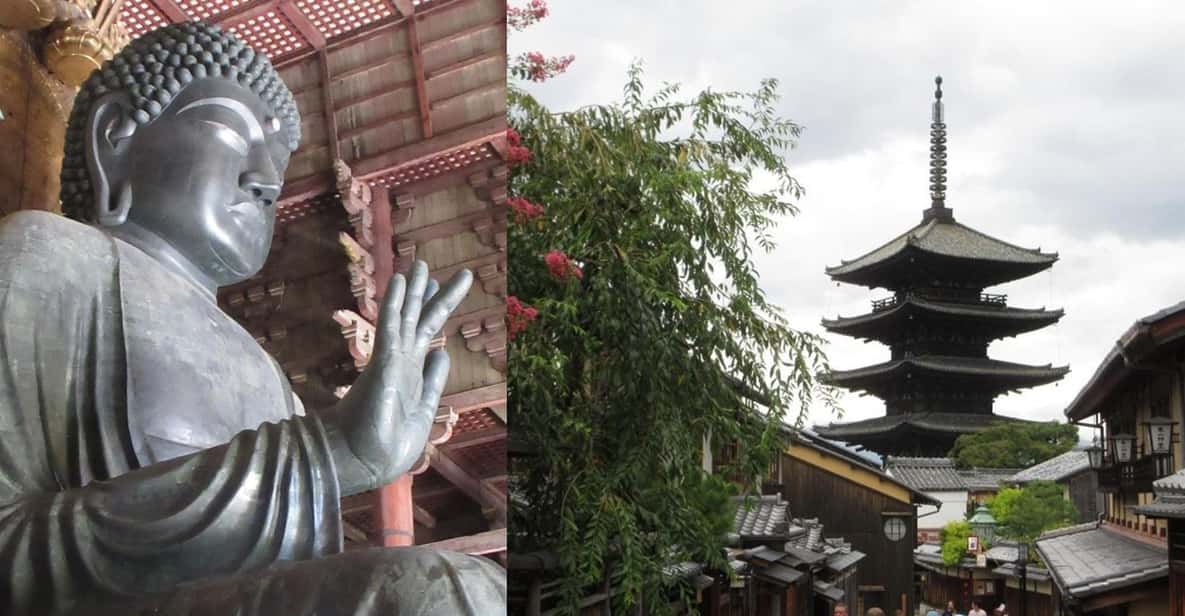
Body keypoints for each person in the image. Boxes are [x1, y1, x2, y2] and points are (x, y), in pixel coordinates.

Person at [0, 20, 501, 616]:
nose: (266, 179)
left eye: (279, 162)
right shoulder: (48, 258)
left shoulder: (268, 375)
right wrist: (328, 453)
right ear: (116, 138)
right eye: (232, 132)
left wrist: (323, 456)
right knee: (436, 594)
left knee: (478, 586)